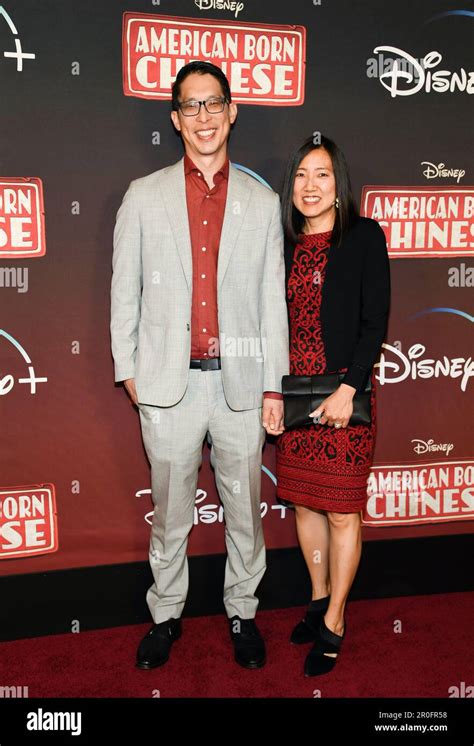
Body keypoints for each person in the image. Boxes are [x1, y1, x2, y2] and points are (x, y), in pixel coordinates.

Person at [110, 61, 289, 670]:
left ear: (233, 112)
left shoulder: (264, 204)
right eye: (192, 106)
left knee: (244, 514)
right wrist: (127, 367)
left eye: (215, 104)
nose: (205, 117)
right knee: (171, 516)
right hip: (168, 388)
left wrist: (274, 386)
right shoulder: (144, 194)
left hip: (241, 388)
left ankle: (243, 610)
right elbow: (123, 289)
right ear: (176, 119)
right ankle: (166, 614)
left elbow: (273, 300)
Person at [275, 135, 390, 676]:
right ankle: (319, 598)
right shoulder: (286, 243)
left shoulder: (364, 237)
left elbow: (375, 321)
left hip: (345, 396)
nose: (310, 186)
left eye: (321, 175)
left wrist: (350, 389)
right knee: (304, 505)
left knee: (342, 511)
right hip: (297, 397)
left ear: (339, 185)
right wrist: (272, 393)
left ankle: (336, 621)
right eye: (301, 175)